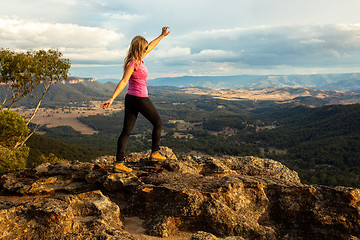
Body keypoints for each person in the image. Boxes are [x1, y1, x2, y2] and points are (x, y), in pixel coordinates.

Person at [100, 26, 170, 172]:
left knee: (126, 131)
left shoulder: (138, 59)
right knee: (158, 123)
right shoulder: (133, 63)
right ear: (139, 48)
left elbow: (151, 45)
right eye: (144, 48)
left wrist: (162, 35)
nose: (146, 49)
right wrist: (112, 98)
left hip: (131, 98)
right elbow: (124, 81)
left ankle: (119, 163)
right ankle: (155, 153)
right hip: (139, 98)